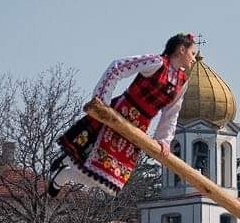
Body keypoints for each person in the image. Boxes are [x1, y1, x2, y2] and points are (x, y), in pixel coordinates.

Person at [49, 32, 198, 197]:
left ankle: (63, 175)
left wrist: (163, 140)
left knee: (110, 184)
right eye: (192, 53)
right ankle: (64, 164)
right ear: (182, 49)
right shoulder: (156, 62)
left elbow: (171, 112)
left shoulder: (182, 81)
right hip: (119, 114)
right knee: (89, 159)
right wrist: (102, 100)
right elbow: (118, 66)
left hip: (138, 128)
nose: (193, 58)